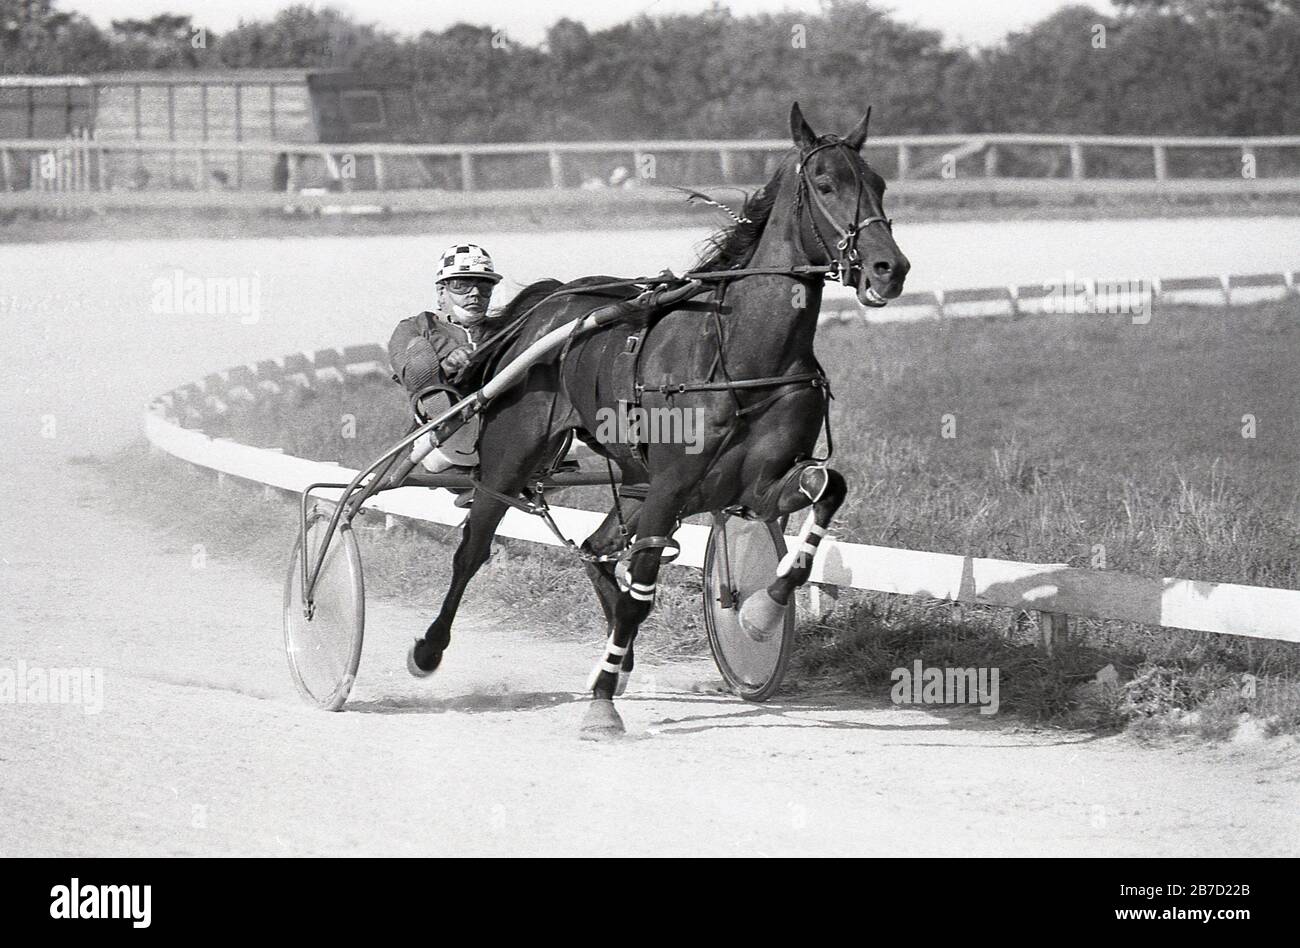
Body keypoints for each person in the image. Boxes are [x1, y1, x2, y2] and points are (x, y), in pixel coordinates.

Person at [387, 243, 503, 484]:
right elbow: (407, 372)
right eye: (461, 285)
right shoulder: (415, 327)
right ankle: (440, 405)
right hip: (442, 440)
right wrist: (448, 366)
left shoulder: (504, 327)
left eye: (484, 287)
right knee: (418, 356)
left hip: (503, 427)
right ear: (441, 292)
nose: (474, 294)